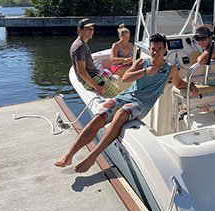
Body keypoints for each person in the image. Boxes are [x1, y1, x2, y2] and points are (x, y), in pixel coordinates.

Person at [55, 33, 199, 173]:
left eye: (159, 49)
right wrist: (144, 71)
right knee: (100, 116)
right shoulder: (142, 63)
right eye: (153, 49)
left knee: (121, 113)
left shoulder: (170, 69)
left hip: (141, 104)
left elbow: (179, 83)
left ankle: (92, 156)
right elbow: (126, 78)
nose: (156, 52)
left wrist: (191, 85)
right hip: (125, 96)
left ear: (165, 50)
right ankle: (69, 155)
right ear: (149, 49)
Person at [70, 18, 118, 98]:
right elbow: (81, 71)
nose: (91, 31)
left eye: (92, 29)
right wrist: (96, 87)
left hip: (95, 77)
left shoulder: (81, 44)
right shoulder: (80, 47)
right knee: (118, 96)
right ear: (80, 30)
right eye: (87, 29)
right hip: (94, 80)